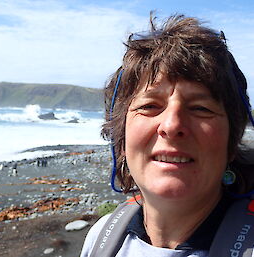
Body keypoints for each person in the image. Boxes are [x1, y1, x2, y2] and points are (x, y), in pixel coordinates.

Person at [80, 13, 254, 257]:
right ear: (121, 138)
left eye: (200, 109)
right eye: (149, 106)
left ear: (232, 142)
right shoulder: (102, 238)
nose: (172, 126)